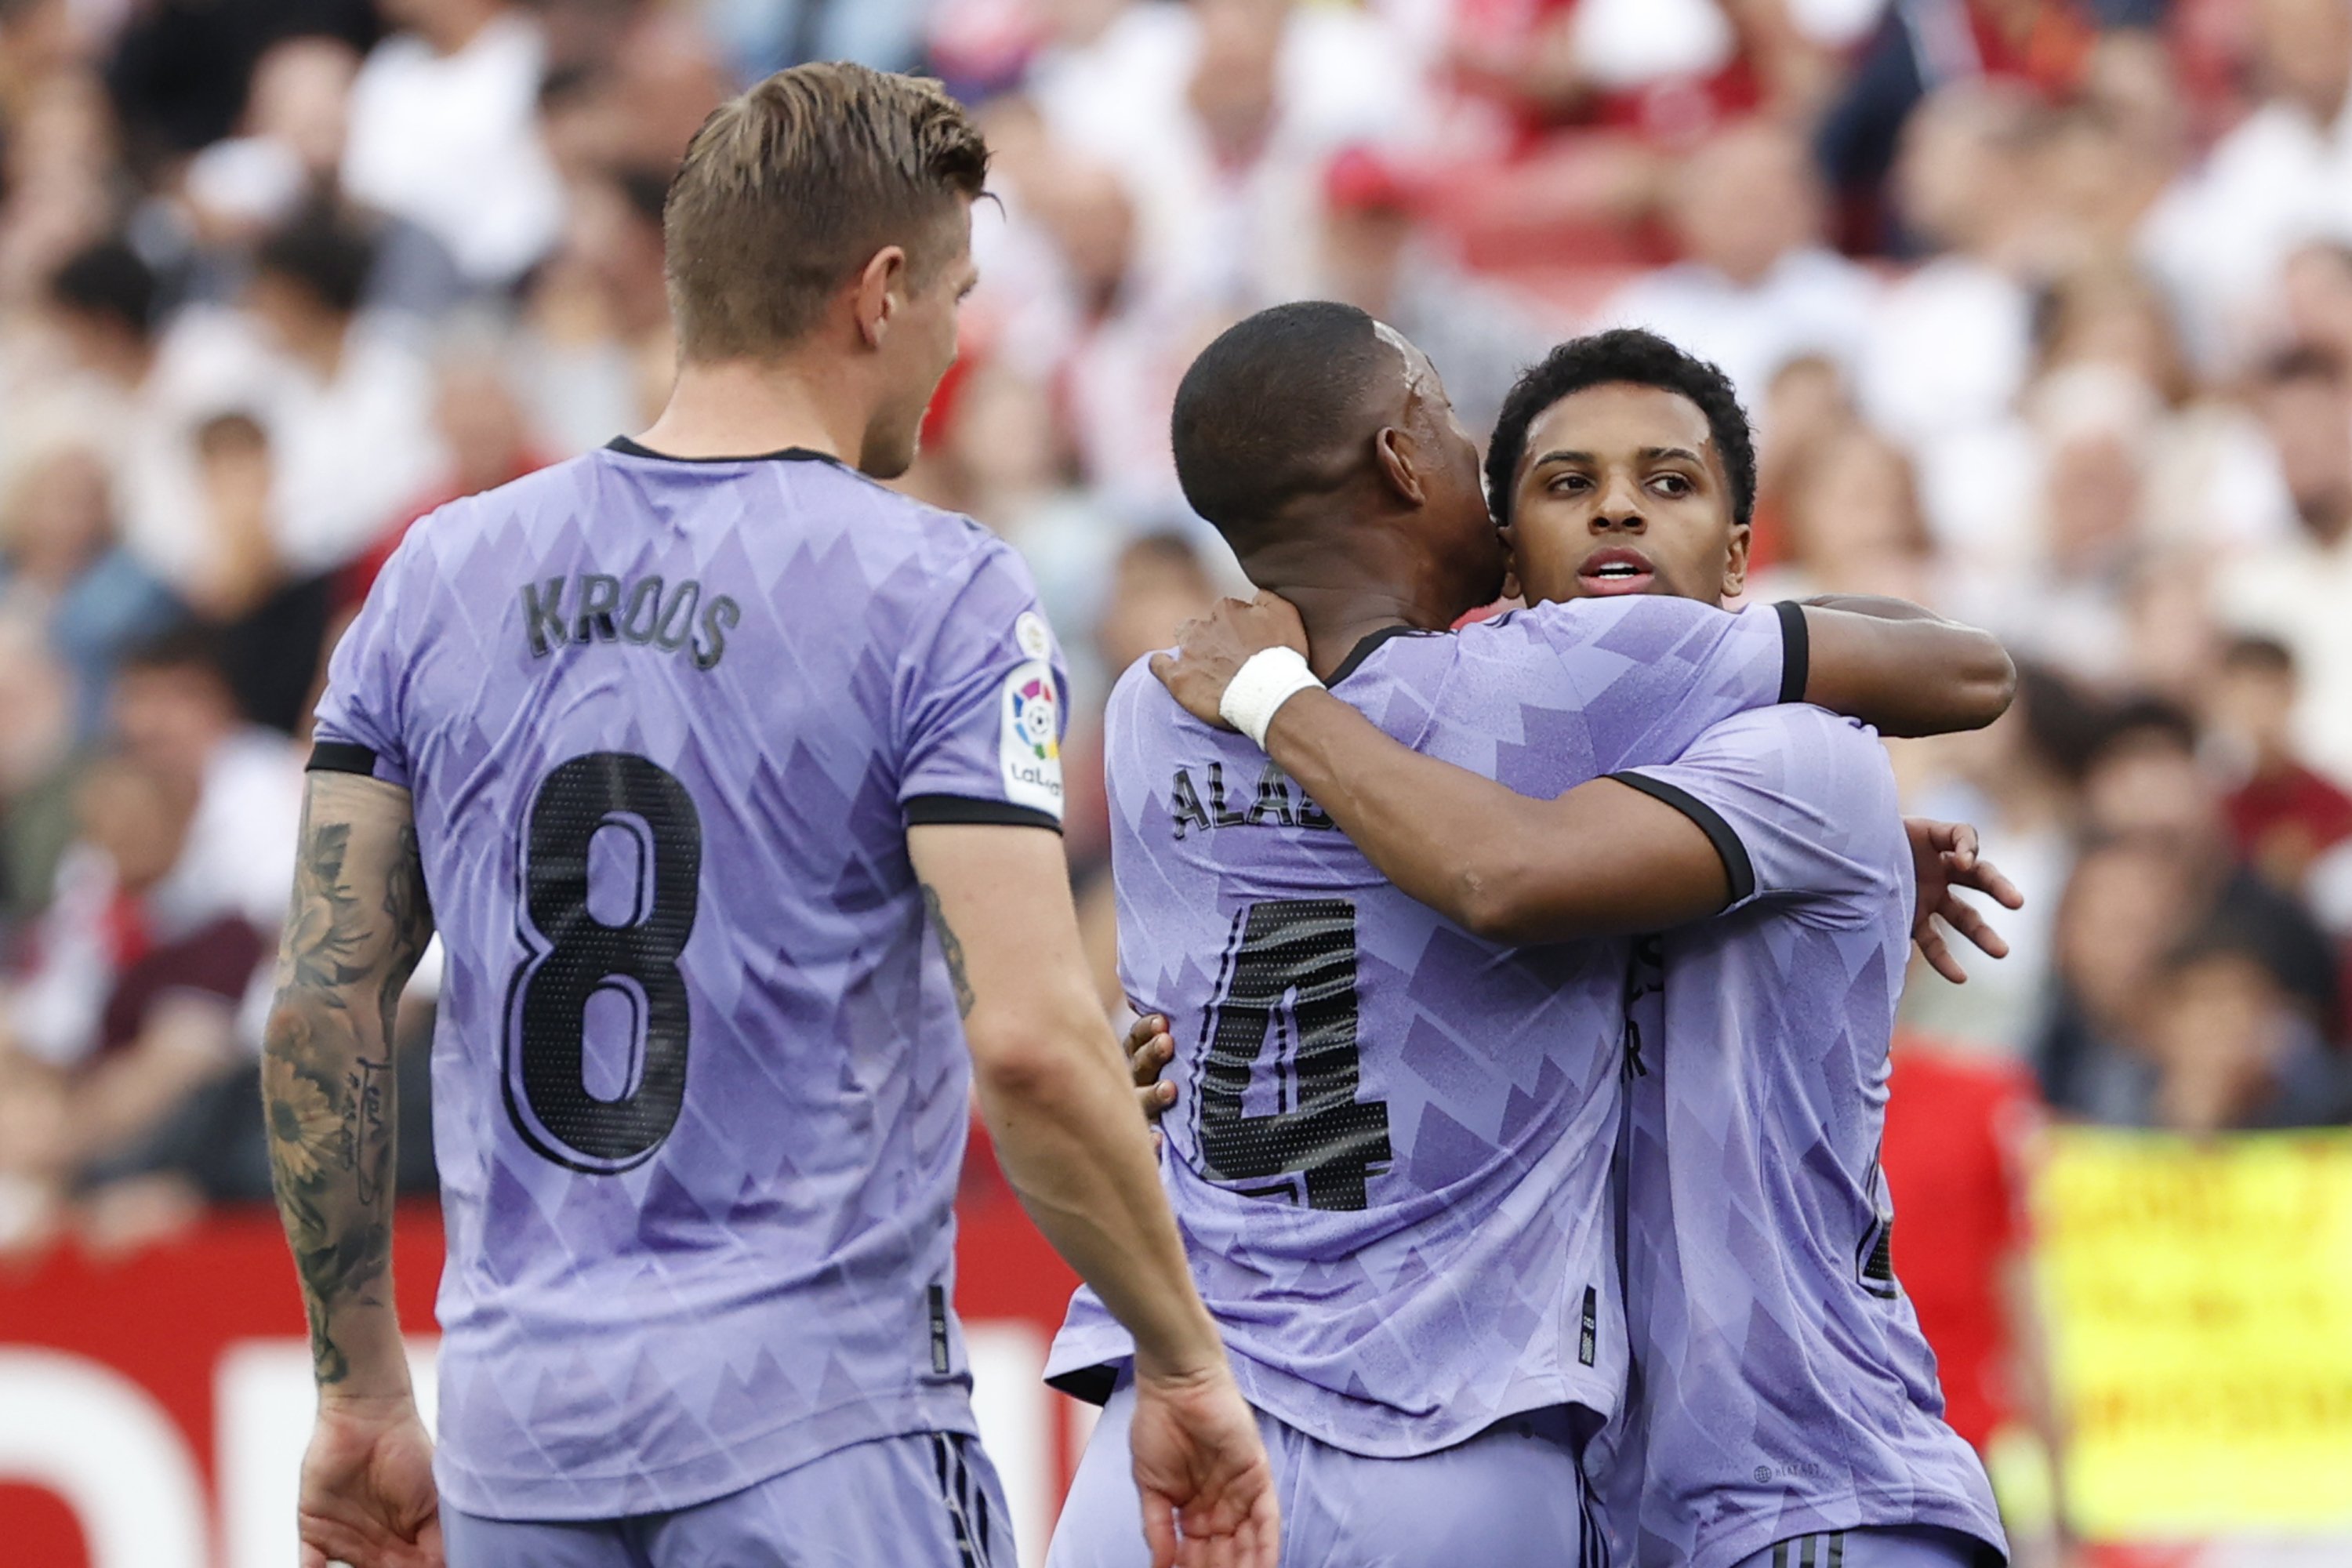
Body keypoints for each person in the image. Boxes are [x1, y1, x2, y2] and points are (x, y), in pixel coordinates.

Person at [262, 63, 1276, 1568]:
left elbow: (323, 1004)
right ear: (879, 293)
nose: (952, 340)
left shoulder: (434, 573)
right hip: (820, 1429)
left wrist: (356, 1391)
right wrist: (1184, 1362)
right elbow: (1031, 1043)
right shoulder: (942, 589)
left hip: (515, 1442)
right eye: (951, 295)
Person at [1057, 310, 2011, 1566]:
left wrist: (1271, 701)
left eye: (1666, 484)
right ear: (1411, 465)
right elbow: (1499, 869)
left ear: (1735, 560)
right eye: (1551, 480)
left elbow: (1474, 871)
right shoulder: (1553, 692)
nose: (1614, 514)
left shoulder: (1151, 703)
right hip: (1478, 1450)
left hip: (1200, 1435)